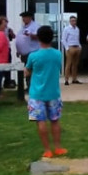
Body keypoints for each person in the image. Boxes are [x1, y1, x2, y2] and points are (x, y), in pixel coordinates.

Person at [25, 25, 66, 159]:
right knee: (55, 120)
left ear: (38, 38)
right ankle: (58, 147)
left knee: (40, 121)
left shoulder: (33, 56)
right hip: (53, 92)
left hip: (37, 94)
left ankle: (47, 150)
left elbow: (27, 72)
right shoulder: (58, 54)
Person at [16, 11, 40, 91]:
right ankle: (28, 86)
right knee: (27, 70)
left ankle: (33, 87)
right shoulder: (23, 27)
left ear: (30, 17)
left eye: (25, 17)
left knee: (33, 70)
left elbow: (39, 36)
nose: (23, 19)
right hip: (25, 53)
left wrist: (31, 35)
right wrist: (18, 50)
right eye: (23, 18)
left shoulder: (35, 26)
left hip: (34, 51)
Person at [61, 15, 82, 85]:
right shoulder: (66, 29)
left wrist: (79, 46)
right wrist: (67, 48)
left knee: (75, 64)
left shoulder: (77, 29)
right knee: (68, 64)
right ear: (70, 21)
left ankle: (74, 79)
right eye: (72, 21)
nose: (74, 22)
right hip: (70, 47)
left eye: (75, 21)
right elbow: (63, 39)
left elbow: (78, 38)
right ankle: (66, 80)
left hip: (77, 47)